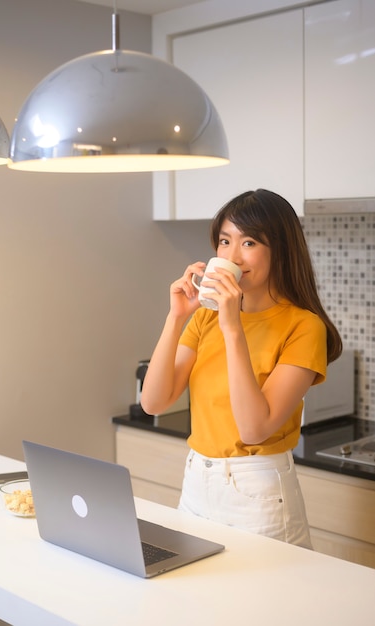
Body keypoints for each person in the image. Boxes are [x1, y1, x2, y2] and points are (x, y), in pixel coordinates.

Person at [141, 189, 342, 548]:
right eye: (224, 241)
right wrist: (176, 317)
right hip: (196, 485)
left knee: (263, 604)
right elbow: (154, 402)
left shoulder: (304, 327)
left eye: (248, 242)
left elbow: (254, 428)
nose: (232, 256)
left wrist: (232, 328)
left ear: (279, 251)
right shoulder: (205, 317)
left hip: (258, 496)